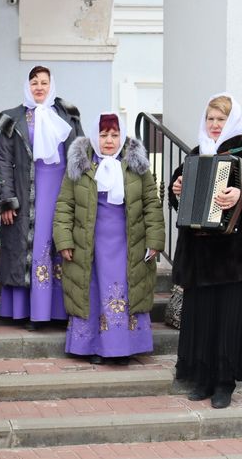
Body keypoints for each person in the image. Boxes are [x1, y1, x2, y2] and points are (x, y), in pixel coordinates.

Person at [168, 93, 242, 408]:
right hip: (201, 257)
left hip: (234, 257)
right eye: (211, 119)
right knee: (202, 319)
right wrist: (177, 190)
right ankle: (202, 379)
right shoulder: (198, 151)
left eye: (221, 119)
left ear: (232, 121)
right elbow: (183, 198)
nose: (215, 125)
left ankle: (225, 383)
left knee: (229, 320)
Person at [53, 113, 164, 365]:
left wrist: (155, 240)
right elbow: (64, 206)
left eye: (114, 135)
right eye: (103, 135)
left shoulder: (136, 166)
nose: (109, 141)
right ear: (95, 137)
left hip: (128, 241)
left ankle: (124, 346)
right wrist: (64, 240)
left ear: (122, 136)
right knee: (92, 289)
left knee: (125, 287)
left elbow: (151, 204)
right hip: (89, 242)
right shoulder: (80, 165)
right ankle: (92, 345)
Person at [0, 66, 83, 330]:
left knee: (59, 243)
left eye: (44, 82)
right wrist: (7, 198)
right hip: (26, 192)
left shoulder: (68, 117)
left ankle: (57, 310)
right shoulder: (14, 119)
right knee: (30, 246)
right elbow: (3, 159)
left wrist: (80, 196)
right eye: (34, 82)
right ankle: (30, 312)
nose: (39, 87)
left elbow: (79, 156)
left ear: (51, 85)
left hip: (61, 190)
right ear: (27, 86)